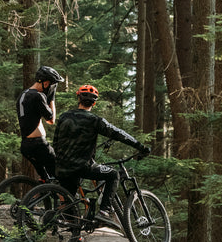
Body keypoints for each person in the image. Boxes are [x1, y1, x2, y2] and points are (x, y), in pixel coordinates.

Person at [53, 84, 150, 223]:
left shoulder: (63, 117)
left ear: (78, 98)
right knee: (113, 174)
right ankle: (104, 211)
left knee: (70, 201)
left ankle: (75, 239)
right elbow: (119, 134)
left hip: (62, 167)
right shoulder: (95, 120)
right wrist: (140, 146)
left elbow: (55, 143)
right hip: (82, 167)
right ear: (94, 103)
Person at [17, 66, 64, 181]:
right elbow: (51, 120)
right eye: (53, 85)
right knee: (60, 174)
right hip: (39, 144)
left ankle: (37, 196)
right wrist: (51, 98)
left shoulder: (23, 95)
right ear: (46, 83)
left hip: (25, 145)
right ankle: (65, 198)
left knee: (45, 179)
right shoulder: (38, 96)